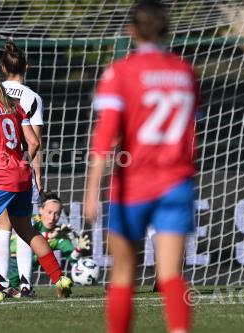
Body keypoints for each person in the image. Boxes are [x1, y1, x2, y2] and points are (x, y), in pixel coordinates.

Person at [84, 1, 199, 332]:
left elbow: (105, 137)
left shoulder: (121, 71)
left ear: (131, 31)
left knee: (123, 272)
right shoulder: (185, 72)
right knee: (171, 274)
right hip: (177, 182)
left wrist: (91, 191)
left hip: (134, 184)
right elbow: (191, 132)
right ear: (167, 29)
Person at [0, 57, 71, 302]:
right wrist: (18, 161)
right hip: (22, 176)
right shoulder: (14, 105)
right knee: (26, 229)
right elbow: (35, 142)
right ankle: (60, 278)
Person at [0, 40, 45, 297]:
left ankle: (1, 285)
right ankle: (26, 284)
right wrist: (38, 174)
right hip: (23, 169)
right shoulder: (33, 98)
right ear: (27, 66)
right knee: (24, 225)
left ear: (2, 68)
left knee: (3, 225)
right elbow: (35, 141)